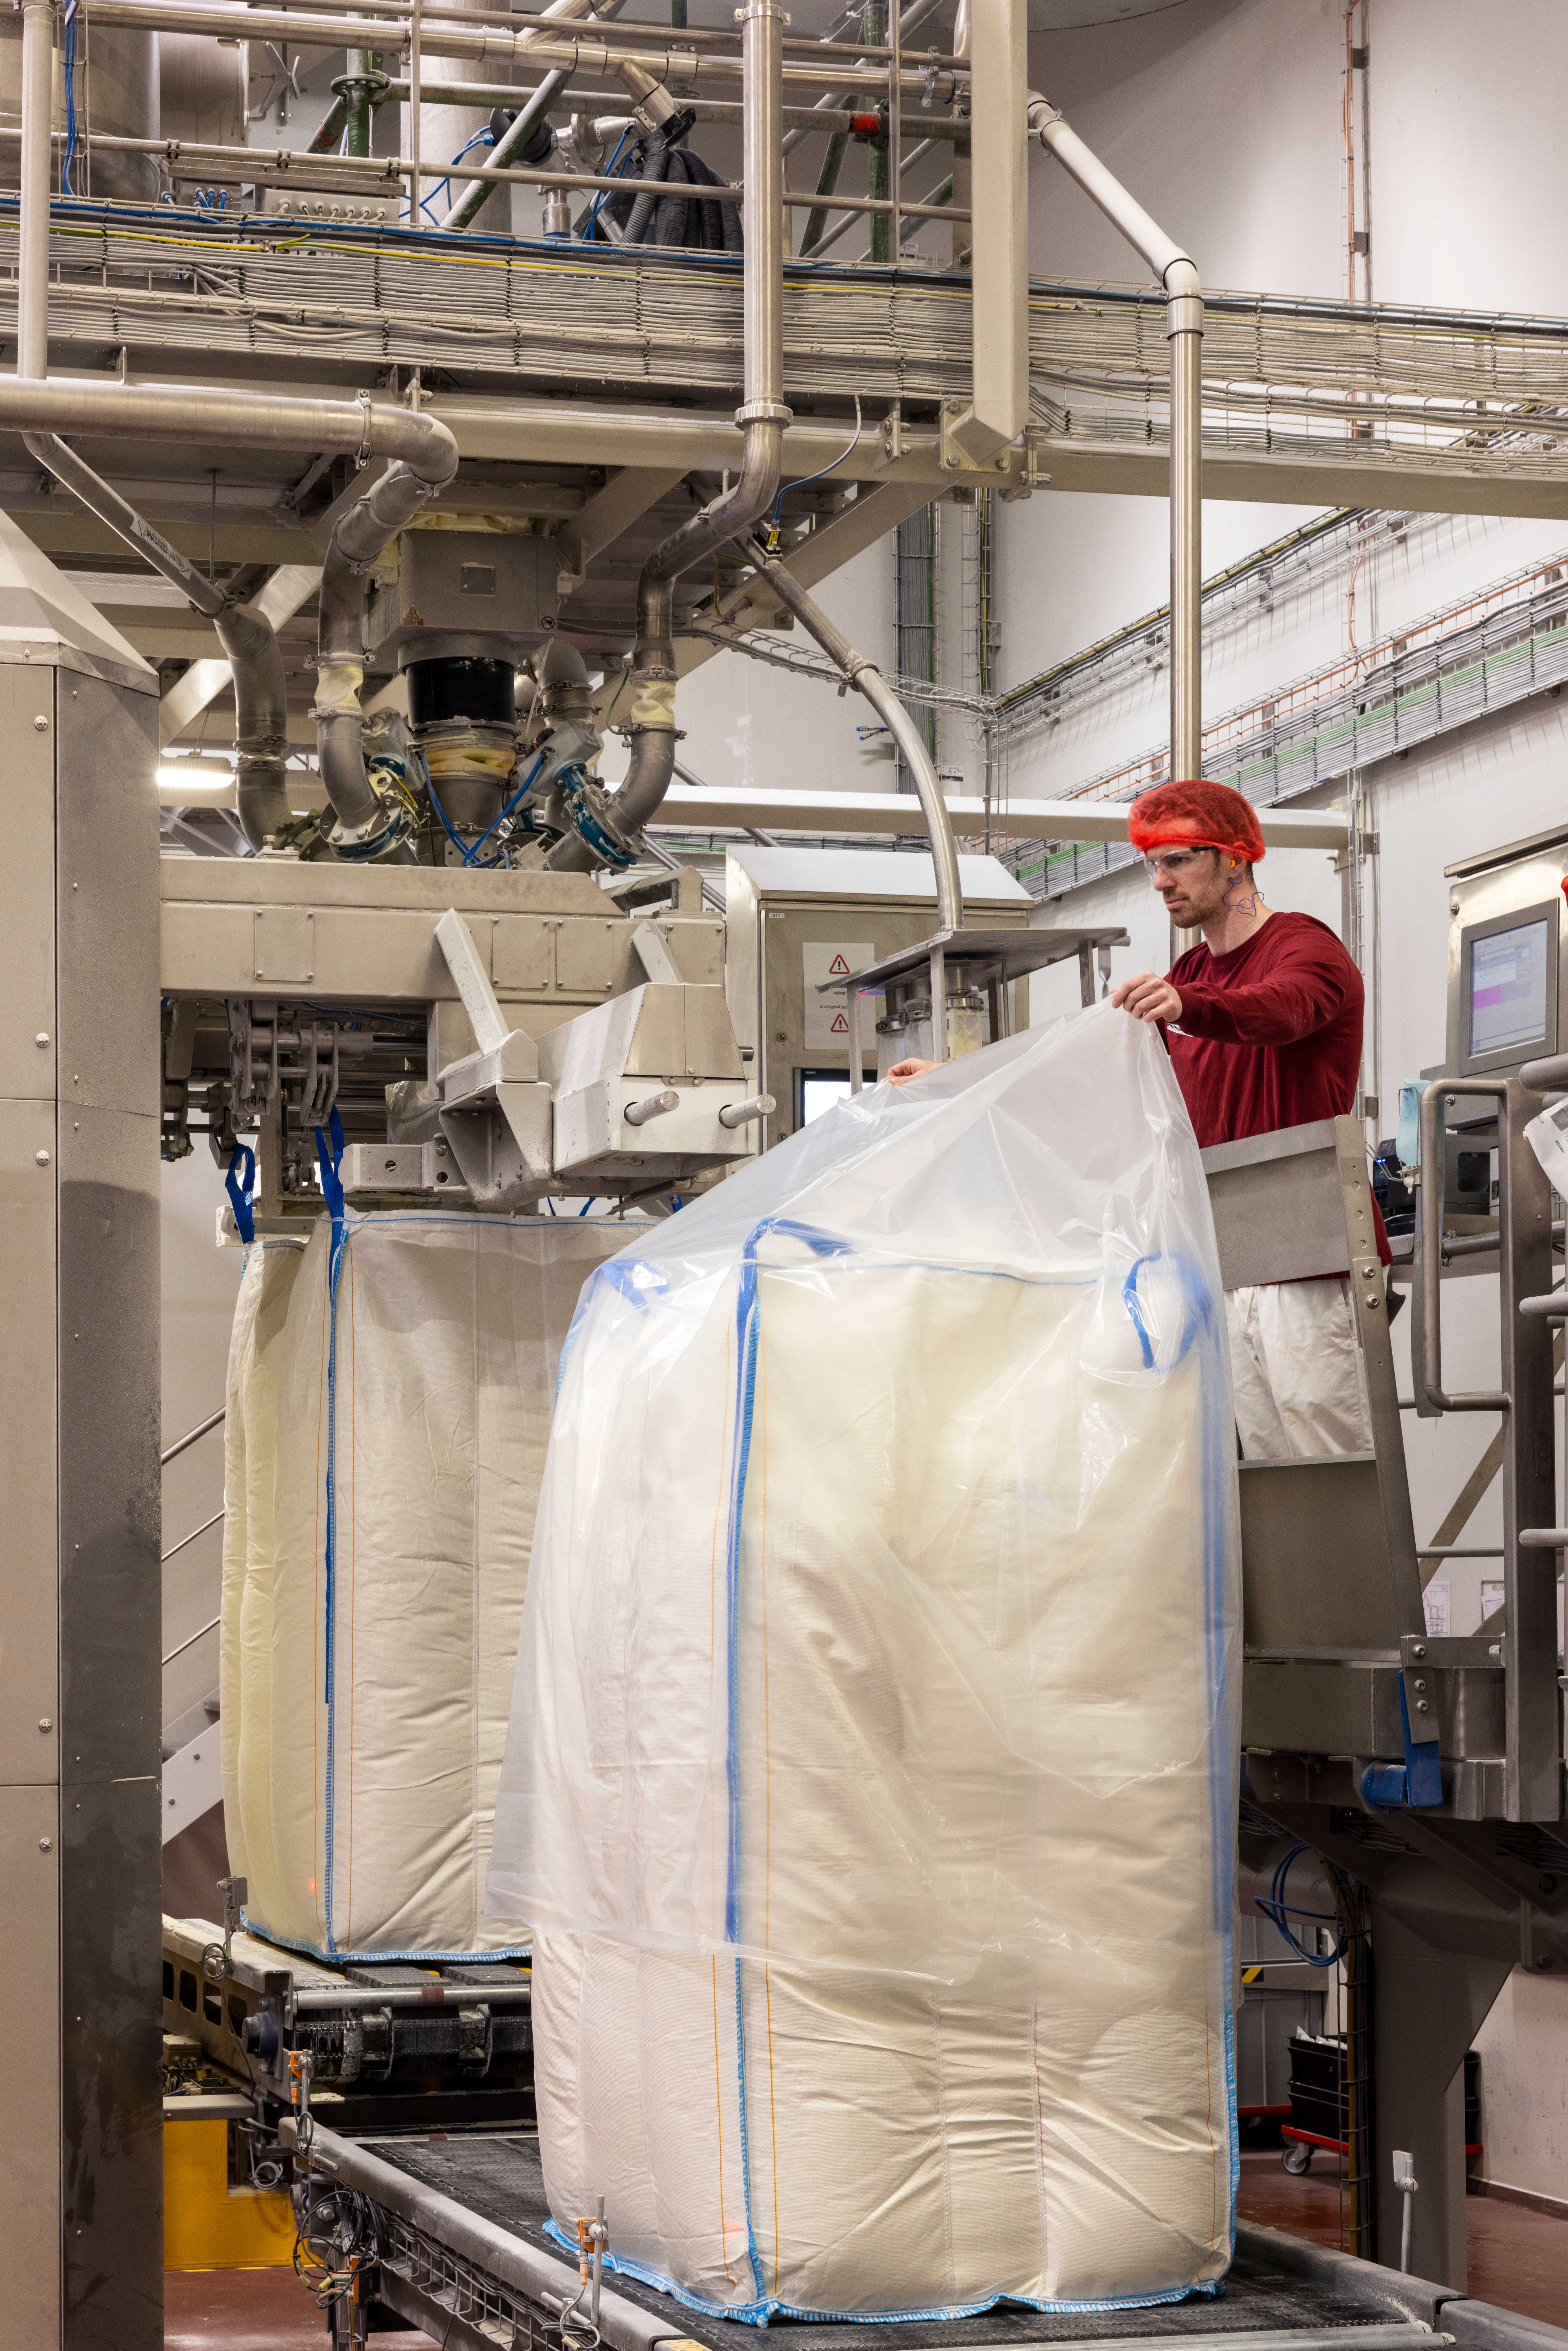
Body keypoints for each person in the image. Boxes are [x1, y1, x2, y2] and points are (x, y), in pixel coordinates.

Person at [889, 777, 1383, 1459]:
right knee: (1272, 1474)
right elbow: (1090, 1067)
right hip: (1227, 1255)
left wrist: (1192, 1007)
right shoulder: (1187, 973)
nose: (1159, 881)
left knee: (1336, 1454)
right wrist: (959, 1082)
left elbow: (1285, 1008)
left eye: (1177, 859)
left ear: (1233, 858)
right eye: (1153, 863)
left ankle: (1373, 1574)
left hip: (1311, 1253)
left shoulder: (1302, 946)